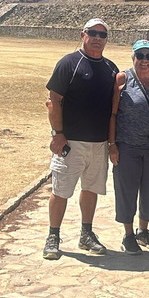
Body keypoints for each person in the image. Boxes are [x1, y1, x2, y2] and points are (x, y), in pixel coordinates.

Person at [43, 18, 119, 259]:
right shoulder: (69, 63)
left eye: (102, 35)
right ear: (82, 34)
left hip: (98, 143)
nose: (97, 38)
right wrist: (57, 134)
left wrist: (111, 143)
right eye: (92, 33)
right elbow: (53, 101)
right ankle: (53, 236)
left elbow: (114, 110)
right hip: (71, 142)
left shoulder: (111, 68)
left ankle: (86, 233)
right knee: (61, 190)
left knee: (91, 188)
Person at [107, 39, 149, 254]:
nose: (145, 60)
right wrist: (112, 144)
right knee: (126, 190)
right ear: (133, 57)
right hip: (127, 146)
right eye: (140, 56)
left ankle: (143, 230)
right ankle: (128, 234)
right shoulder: (123, 79)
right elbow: (112, 114)